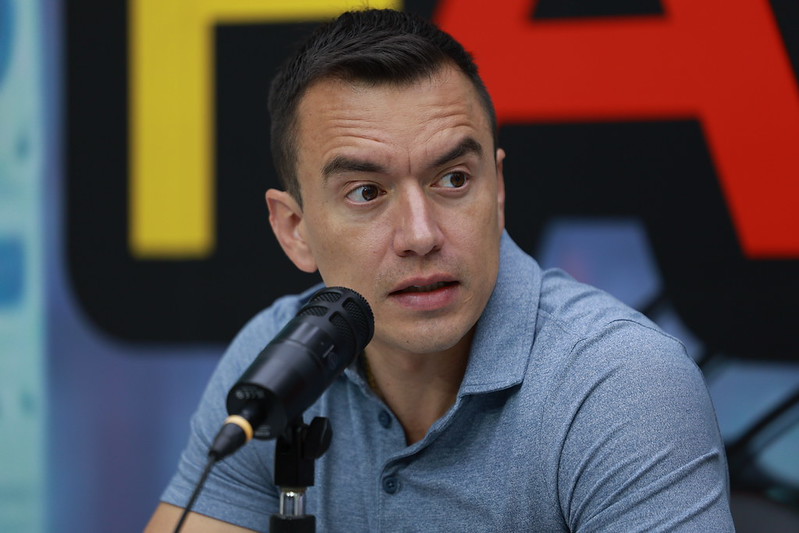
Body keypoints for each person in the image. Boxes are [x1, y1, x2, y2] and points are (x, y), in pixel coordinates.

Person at [146, 9, 734, 532]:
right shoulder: (279, 364)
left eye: (453, 179)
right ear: (295, 229)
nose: (421, 235)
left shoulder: (619, 383)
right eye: (366, 192)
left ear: (497, 191)